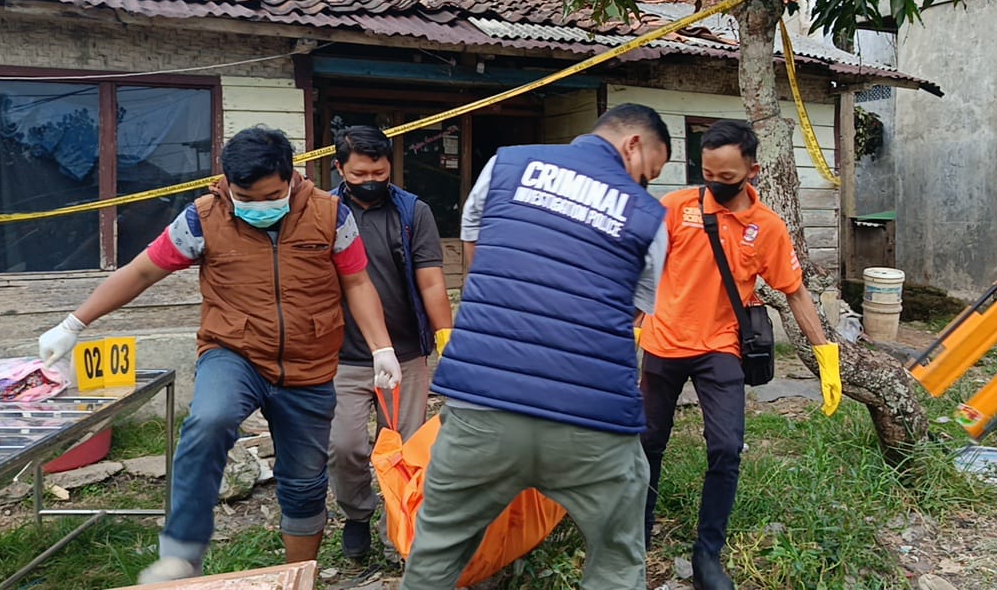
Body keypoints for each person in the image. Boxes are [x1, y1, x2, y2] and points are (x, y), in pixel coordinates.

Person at [36, 126, 399, 582]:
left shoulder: (331, 216)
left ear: (291, 179)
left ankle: (296, 575)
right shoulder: (202, 218)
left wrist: (381, 346)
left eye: (268, 196)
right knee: (209, 420)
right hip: (235, 352)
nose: (255, 206)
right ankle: (181, 553)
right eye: (243, 196)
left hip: (310, 364)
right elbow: (144, 270)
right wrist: (74, 323)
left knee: (305, 483)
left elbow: (357, 282)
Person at [402, 103, 672, 589]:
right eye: (647, 173)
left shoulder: (506, 163)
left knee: (435, 554)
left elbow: (476, 256)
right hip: (592, 421)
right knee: (617, 560)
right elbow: (631, 314)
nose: (644, 185)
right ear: (633, 145)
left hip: (482, 404)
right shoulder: (649, 215)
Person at [638, 119, 842, 590]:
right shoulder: (675, 207)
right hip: (663, 343)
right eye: (708, 173)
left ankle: (708, 553)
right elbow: (639, 267)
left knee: (726, 448)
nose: (715, 185)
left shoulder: (767, 228)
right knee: (647, 443)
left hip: (720, 348)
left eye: (727, 178)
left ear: (752, 169)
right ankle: (637, 534)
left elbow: (795, 293)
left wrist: (825, 356)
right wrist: (628, 331)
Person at [327, 125, 454, 561]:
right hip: (343, 356)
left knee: (405, 447)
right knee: (344, 446)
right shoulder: (324, 211)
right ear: (340, 168)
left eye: (378, 171)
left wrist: (446, 340)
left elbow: (433, 283)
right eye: (359, 173)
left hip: (406, 353)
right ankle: (357, 515)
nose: (370, 181)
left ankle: (397, 529)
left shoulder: (411, 212)